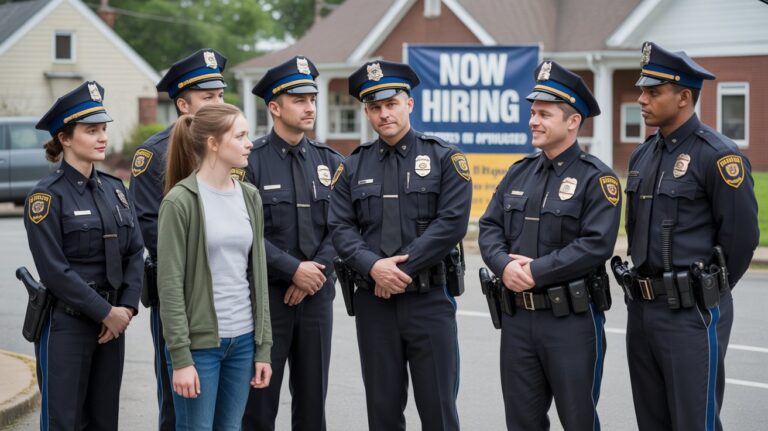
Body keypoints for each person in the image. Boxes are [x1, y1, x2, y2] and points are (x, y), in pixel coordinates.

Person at [621, 41, 759, 431]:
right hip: (643, 310)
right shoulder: (643, 155)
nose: (641, 98)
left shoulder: (717, 155)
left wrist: (707, 292)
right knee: (652, 420)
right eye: (642, 89)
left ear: (684, 97)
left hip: (691, 312)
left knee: (693, 420)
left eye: (653, 91)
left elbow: (742, 238)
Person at [328, 60, 472, 431]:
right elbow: (340, 227)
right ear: (366, 112)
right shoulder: (352, 166)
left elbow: (450, 225)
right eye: (375, 107)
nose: (384, 114)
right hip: (374, 303)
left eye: (391, 104)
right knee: (382, 411)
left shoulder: (444, 158)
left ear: (409, 104)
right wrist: (374, 267)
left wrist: (397, 271)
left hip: (429, 301)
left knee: (439, 410)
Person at [478, 61, 621, 431]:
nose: (533, 121)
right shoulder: (519, 171)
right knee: (522, 422)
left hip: (570, 322)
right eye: (532, 113)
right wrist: (504, 267)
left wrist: (534, 272)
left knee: (578, 421)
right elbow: (490, 227)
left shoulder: (597, 178)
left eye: (544, 114)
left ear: (572, 122)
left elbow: (596, 245)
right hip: (518, 321)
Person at [24, 81, 144, 429]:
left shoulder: (115, 189)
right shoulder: (46, 197)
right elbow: (54, 271)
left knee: (104, 422)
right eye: (91, 131)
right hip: (68, 325)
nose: (102, 137)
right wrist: (104, 312)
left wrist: (126, 308)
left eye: (103, 129)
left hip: (113, 326)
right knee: (65, 421)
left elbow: (135, 251)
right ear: (65, 138)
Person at [156, 103, 273, 430]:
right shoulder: (179, 202)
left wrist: (263, 349)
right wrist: (181, 358)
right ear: (214, 144)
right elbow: (170, 287)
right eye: (240, 135)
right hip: (199, 347)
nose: (250, 142)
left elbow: (258, 276)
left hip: (243, 340)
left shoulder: (250, 196)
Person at [241, 56, 342, 431]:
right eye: (299, 99)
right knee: (259, 403)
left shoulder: (331, 162)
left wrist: (313, 273)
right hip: (268, 301)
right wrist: (292, 269)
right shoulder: (251, 163)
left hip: (317, 298)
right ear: (274, 107)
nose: (310, 106)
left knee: (313, 404)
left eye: (312, 98)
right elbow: (244, 232)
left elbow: (343, 227)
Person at [128, 48, 227, 431]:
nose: (218, 102)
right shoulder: (153, 155)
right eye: (208, 97)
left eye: (220, 95)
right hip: (180, 293)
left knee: (225, 400)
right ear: (184, 104)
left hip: (228, 293)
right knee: (179, 399)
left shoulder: (229, 150)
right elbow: (149, 227)